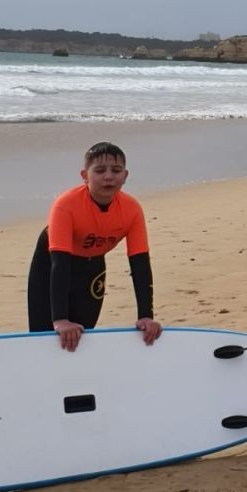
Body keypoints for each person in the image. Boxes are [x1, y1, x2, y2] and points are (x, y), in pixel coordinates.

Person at [27, 142, 163, 351]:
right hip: (51, 264)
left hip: (92, 266)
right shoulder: (66, 204)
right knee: (45, 336)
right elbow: (60, 264)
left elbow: (140, 265)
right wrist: (61, 320)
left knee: (83, 334)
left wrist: (146, 316)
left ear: (125, 176)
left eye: (116, 171)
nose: (109, 176)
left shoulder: (132, 209)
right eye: (100, 170)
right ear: (84, 175)